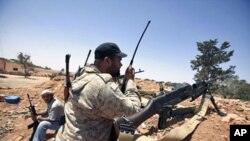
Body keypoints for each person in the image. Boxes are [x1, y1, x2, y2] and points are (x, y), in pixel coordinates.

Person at [56, 42, 141, 141]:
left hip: (65, 137)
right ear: (107, 61)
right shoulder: (102, 85)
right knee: (129, 132)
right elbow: (134, 111)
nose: (121, 64)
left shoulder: (82, 75)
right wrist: (130, 81)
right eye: (119, 60)